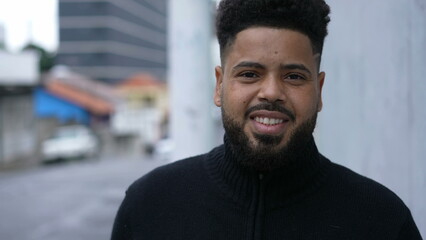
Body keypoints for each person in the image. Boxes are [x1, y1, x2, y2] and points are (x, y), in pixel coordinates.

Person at [111, 0, 423, 239]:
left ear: (320, 89)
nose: (271, 92)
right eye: (249, 74)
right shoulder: (149, 206)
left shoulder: (381, 221)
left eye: (294, 76)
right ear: (219, 85)